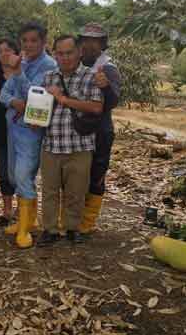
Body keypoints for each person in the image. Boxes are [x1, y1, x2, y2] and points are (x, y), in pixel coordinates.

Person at [37, 35, 103, 247]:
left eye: (69, 52)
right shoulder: (48, 77)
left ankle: (72, 228)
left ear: (79, 52)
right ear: (55, 54)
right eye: (60, 53)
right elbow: (40, 108)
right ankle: (50, 230)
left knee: (76, 191)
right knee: (49, 192)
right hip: (51, 144)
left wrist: (64, 99)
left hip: (79, 145)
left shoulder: (91, 76)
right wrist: (34, 118)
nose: (65, 58)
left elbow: (96, 107)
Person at [0, 21, 57, 248]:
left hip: (31, 130)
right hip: (13, 127)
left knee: (24, 175)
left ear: (43, 42)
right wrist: (15, 101)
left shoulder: (49, 66)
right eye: (25, 41)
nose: (29, 45)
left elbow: (37, 97)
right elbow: (5, 93)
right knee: (14, 176)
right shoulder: (21, 63)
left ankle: (24, 229)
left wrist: (19, 74)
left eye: (34, 40)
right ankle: (28, 220)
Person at [78, 23, 121, 233]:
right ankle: (73, 215)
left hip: (100, 130)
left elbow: (113, 101)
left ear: (102, 44)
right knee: (76, 173)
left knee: (97, 173)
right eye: (85, 40)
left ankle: (88, 221)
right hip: (78, 129)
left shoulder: (108, 68)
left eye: (94, 41)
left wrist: (106, 86)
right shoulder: (75, 65)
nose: (89, 45)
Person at [0, 38, 19, 225]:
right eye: (0, 51)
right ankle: (7, 210)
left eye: (8, 49)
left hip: (23, 129)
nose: (4, 53)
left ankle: (23, 209)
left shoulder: (23, 71)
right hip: (2, 128)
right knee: (4, 170)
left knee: (23, 170)